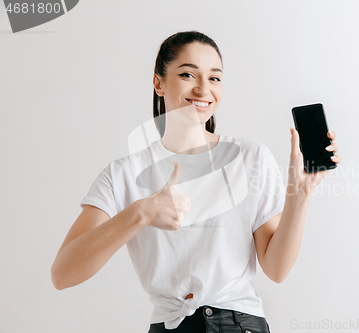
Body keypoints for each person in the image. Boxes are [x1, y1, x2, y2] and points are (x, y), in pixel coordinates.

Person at [51, 30, 341, 333]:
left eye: (214, 78)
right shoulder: (124, 173)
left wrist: (300, 193)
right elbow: (63, 274)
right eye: (188, 74)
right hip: (169, 325)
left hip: (239, 324)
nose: (203, 89)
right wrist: (141, 213)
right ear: (159, 83)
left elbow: (277, 269)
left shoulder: (250, 156)